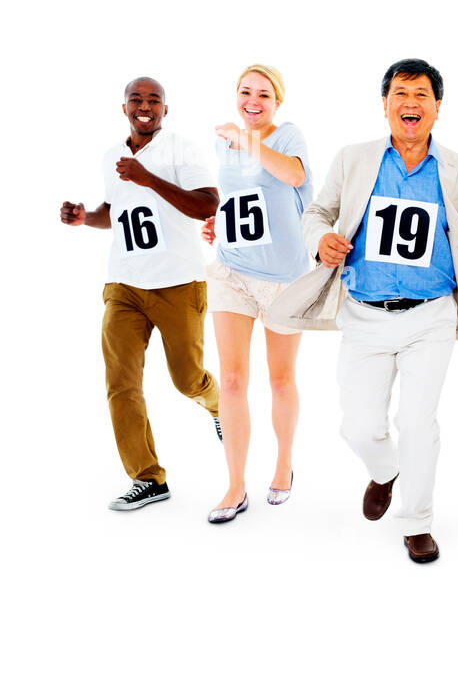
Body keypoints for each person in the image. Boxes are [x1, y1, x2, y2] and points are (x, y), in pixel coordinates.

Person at [269, 58, 458, 562]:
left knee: (418, 420)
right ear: (385, 105)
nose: (411, 103)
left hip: (431, 314)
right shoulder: (354, 159)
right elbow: (316, 212)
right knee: (358, 425)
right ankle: (384, 470)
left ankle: (417, 521)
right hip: (363, 313)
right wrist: (322, 241)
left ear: (437, 108)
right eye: (400, 93)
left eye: (421, 95)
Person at [60, 77, 222, 511]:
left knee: (187, 379)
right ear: (125, 108)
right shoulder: (111, 157)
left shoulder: (181, 149)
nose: (145, 106)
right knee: (121, 383)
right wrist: (84, 219)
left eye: (154, 101)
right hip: (124, 285)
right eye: (137, 99)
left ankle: (216, 401)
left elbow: (208, 205)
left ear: (165, 110)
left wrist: (148, 178)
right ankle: (148, 478)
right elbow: (114, 213)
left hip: (177, 283)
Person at [199, 65, 313, 524]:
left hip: (283, 277)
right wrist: (219, 222)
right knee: (230, 379)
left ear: (277, 102)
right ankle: (235, 484)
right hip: (232, 271)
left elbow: (290, 177)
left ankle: (284, 463)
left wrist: (247, 139)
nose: (252, 100)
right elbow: (241, 199)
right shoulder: (225, 144)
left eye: (263, 94)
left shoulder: (287, 137)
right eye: (245, 92)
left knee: (281, 379)